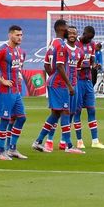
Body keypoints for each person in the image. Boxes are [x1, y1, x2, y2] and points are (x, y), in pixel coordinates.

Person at [32, 19, 76, 154]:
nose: (69, 30)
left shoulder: (52, 43)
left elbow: (46, 64)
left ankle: (38, 141)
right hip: (59, 84)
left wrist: (52, 77)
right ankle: (69, 145)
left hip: (53, 82)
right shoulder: (62, 45)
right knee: (65, 112)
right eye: (67, 28)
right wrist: (69, 85)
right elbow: (60, 66)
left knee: (55, 114)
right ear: (62, 29)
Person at [0, 25, 27, 160]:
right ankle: (0, 150)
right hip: (5, 91)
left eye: (21, 35)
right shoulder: (2, 50)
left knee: (21, 118)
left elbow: (17, 68)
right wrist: (1, 81)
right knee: (5, 120)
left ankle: (12, 149)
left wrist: (19, 75)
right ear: (10, 35)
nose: (20, 37)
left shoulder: (20, 51)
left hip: (16, 92)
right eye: (17, 35)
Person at [74, 26, 104, 149]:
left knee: (92, 110)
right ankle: (79, 141)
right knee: (77, 111)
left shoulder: (92, 44)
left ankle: (95, 140)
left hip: (88, 81)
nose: (89, 40)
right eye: (88, 38)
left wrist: (94, 65)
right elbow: (73, 63)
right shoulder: (75, 44)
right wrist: (84, 65)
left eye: (91, 39)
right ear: (84, 34)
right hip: (77, 81)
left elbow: (92, 59)